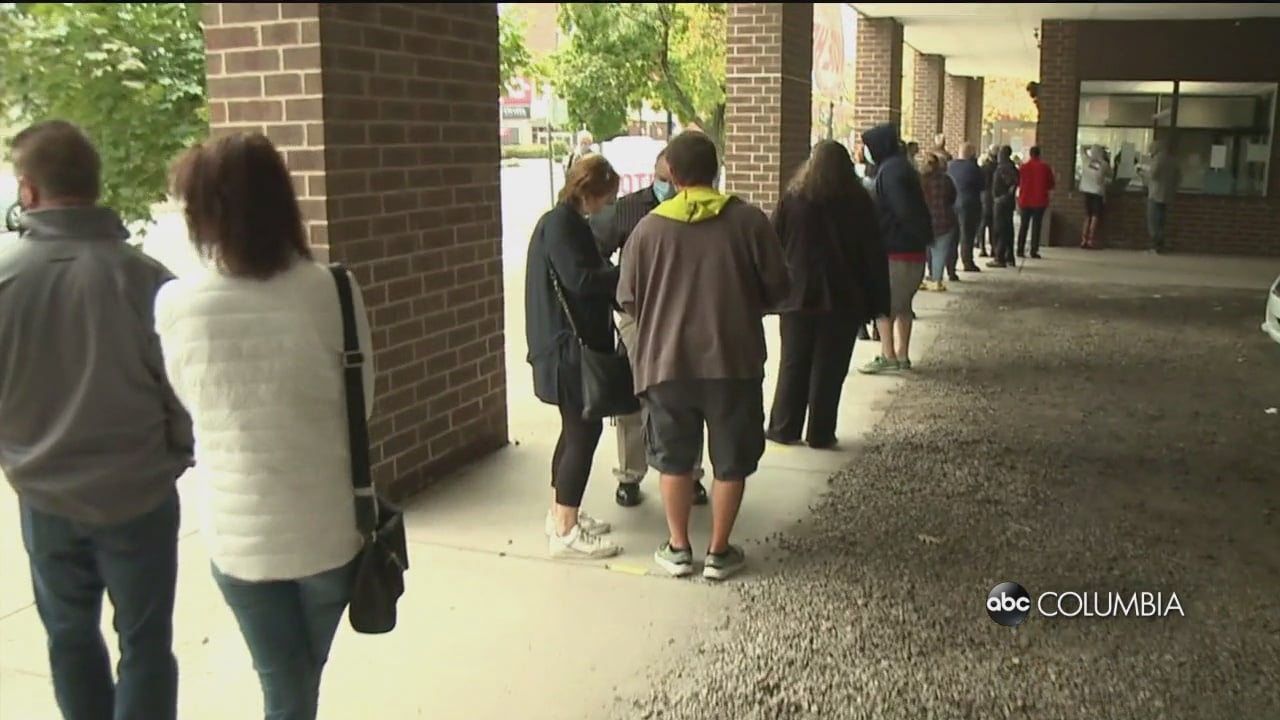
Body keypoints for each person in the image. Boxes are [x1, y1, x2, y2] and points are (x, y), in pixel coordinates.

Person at [157, 132, 374, 720]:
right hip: (329, 531)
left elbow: (190, 403)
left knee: (284, 679)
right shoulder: (333, 288)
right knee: (297, 679)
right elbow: (364, 404)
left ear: (202, 213)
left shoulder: (176, 303)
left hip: (238, 539)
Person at [0, 120, 191, 720]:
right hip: (140, 494)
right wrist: (172, 457)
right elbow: (184, 393)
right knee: (146, 645)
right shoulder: (147, 281)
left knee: (69, 637)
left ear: (28, 191)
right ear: (95, 184)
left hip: (45, 497)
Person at [618, 130, 789, 580]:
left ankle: (678, 547)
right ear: (717, 169)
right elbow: (779, 290)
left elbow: (628, 299)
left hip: (666, 363)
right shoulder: (749, 221)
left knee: (674, 458)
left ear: (670, 174)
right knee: (731, 459)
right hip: (733, 361)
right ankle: (719, 551)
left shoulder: (648, 229)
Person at [588, 149, 709, 508]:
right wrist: (617, 289)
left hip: (685, 315)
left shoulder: (698, 210)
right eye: (665, 182)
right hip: (638, 316)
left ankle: (690, 474)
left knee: (687, 395)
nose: (670, 189)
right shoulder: (626, 210)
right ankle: (630, 475)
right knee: (633, 396)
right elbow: (594, 252)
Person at [526, 153, 623, 559]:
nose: (607, 206)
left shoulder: (563, 223)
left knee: (574, 430)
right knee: (585, 431)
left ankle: (561, 512)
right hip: (567, 349)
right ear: (588, 192)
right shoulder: (562, 225)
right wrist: (624, 273)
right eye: (605, 198)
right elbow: (580, 280)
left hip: (563, 346)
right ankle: (565, 529)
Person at [766, 140, 888, 449]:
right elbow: (873, 256)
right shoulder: (859, 202)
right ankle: (820, 432)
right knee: (830, 369)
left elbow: (774, 243)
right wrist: (878, 303)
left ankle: (784, 426)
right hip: (843, 297)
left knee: (793, 363)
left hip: (798, 295)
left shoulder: (793, 199)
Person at [858, 123, 932, 375]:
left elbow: (902, 211)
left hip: (896, 250)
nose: (864, 151)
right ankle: (902, 355)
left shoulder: (889, 173)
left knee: (884, 305)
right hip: (913, 250)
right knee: (903, 306)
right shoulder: (902, 168)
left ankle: (888, 354)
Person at [920, 151, 958, 291]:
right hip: (944, 220)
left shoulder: (920, 180)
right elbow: (953, 197)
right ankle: (936, 280)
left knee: (924, 251)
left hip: (924, 220)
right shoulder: (946, 180)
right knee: (940, 253)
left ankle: (921, 279)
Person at [947, 142, 985, 274]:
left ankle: (950, 267)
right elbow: (982, 186)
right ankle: (967, 262)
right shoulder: (974, 168)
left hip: (952, 204)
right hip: (969, 204)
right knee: (967, 235)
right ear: (971, 153)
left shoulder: (950, 166)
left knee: (953, 236)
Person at [1015, 146, 1055, 259]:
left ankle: (1020, 250)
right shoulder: (1045, 168)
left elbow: (1018, 182)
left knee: (1024, 225)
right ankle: (1033, 250)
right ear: (1039, 154)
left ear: (1030, 154)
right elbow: (1051, 184)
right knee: (1037, 226)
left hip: (1025, 200)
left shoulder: (1023, 168)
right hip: (1040, 201)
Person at [1140, 139, 1179, 253]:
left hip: (1155, 193)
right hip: (1167, 194)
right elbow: (1178, 176)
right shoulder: (1172, 160)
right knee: (1161, 221)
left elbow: (1153, 175)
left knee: (1153, 221)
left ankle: (1155, 246)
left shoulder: (1158, 159)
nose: (1149, 151)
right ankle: (1160, 245)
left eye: (1150, 149)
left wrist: (1143, 173)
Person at [987, 146, 1020, 269]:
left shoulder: (1002, 168)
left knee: (1000, 230)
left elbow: (1009, 184)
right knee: (1008, 229)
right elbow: (1016, 183)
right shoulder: (1013, 168)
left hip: (1000, 202)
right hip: (1008, 203)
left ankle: (999, 257)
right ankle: (1009, 256)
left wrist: (1001, 197)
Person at [1078, 145, 1112, 249]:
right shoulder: (1104, 164)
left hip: (1086, 191)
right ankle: (1090, 240)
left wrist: (1092, 145)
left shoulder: (1086, 161)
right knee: (1095, 216)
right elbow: (1110, 177)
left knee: (1087, 216)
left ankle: (1083, 239)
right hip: (1097, 192)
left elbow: (1082, 147)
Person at [977, 145, 999, 257]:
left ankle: (982, 247)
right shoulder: (998, 167)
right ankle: (994, 248)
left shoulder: (983, 168)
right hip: (994, 197)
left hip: (984, 196)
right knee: (993, 225)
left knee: (983, 223)